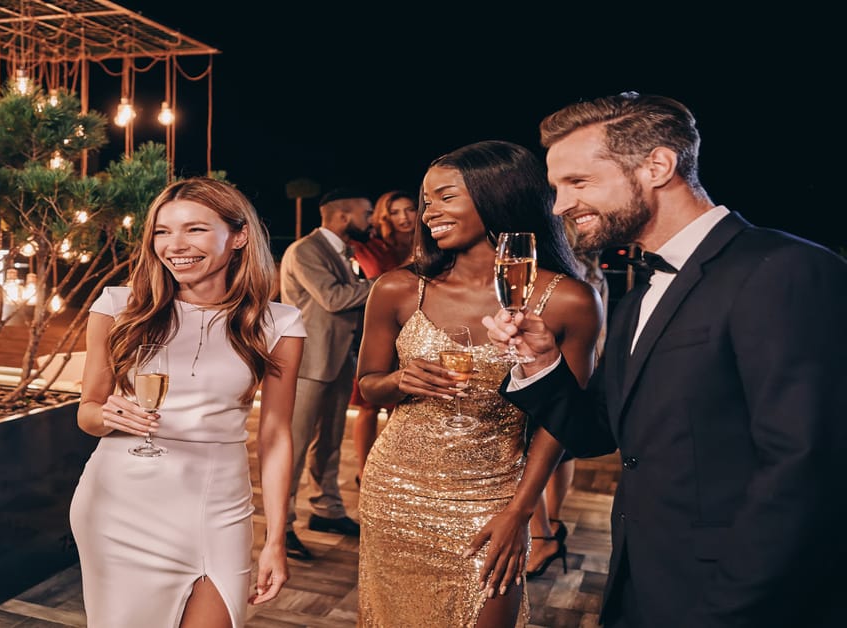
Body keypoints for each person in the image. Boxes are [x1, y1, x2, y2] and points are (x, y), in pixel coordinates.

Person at [484, 92, 847, 628]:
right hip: (642, 585)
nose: (559, 206)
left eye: (578, 183)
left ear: (657, 166)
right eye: (557, 188)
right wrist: (541, 362)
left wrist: (725, 610)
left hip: (735, 602)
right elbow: (597, 435)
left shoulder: (786, 270)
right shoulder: (635, 300)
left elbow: (807, 474)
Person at [356, 140, 602, 626]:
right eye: (426, 200)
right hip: (394, 491)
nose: (429, 212)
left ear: (497, 196)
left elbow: (562, 420)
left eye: (446, 197)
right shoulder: (398, 288)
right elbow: (367, 386)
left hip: (490, 500)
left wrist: (522, 512)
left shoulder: (568, 300)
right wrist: (400, 380)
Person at [70, 177, 305, 627]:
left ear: (238, 236)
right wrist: (105, 414)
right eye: (162, 231)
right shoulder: (118, 308)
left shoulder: (279, 324)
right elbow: (88, 413)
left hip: (220, 508)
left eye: (194, 229)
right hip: (120, 503)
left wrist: (275, 537)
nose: (174, 245)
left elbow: (275, 436)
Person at [277, 189, 375, 560]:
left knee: (331, 442)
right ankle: (281, 526)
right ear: (343, 215)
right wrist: (388, 281)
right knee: (294, 446)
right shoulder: (304, 251)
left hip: (337, 359)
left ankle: (326, 510)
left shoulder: (345, 251)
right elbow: (334, 299)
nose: (372, 221)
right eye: (366, 212)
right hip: (306, 362)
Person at [525, 218, 609, 578]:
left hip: (549, 366)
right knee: (561, 449)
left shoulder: (559, 278)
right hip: (586, 364)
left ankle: (542, 534)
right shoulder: (593, 274)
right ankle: (553, 524)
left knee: (530, 451)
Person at [348, 189, 417, 481]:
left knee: (401, 403)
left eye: (409, 210)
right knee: (368, 405)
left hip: (414, 328)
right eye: (395, 212)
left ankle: (392, 467)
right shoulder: (374, 247)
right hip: (379, 328)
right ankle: (365, 472)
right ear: (383, 217)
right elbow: (380, 279)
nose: (404, 217)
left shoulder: (428, 242)